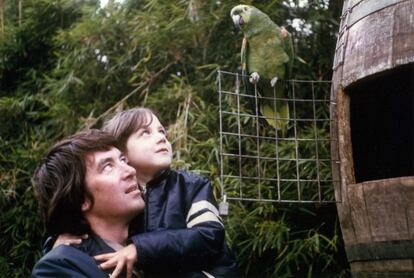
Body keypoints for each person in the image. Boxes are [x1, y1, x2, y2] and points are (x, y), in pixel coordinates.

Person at [95, 107, 239, 277]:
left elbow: (209, 236)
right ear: (122, 152)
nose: (161, 138)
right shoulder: (120, 195)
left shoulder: (192, 185)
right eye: (146, 133)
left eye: (162, 131)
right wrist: (63, 236)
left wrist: (140, 249)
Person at [31, 129, 145, 277]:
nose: (130, 171)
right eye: (108, 167)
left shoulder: (157, 236)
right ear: (80, 198)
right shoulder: (59, 268)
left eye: (123, 160)